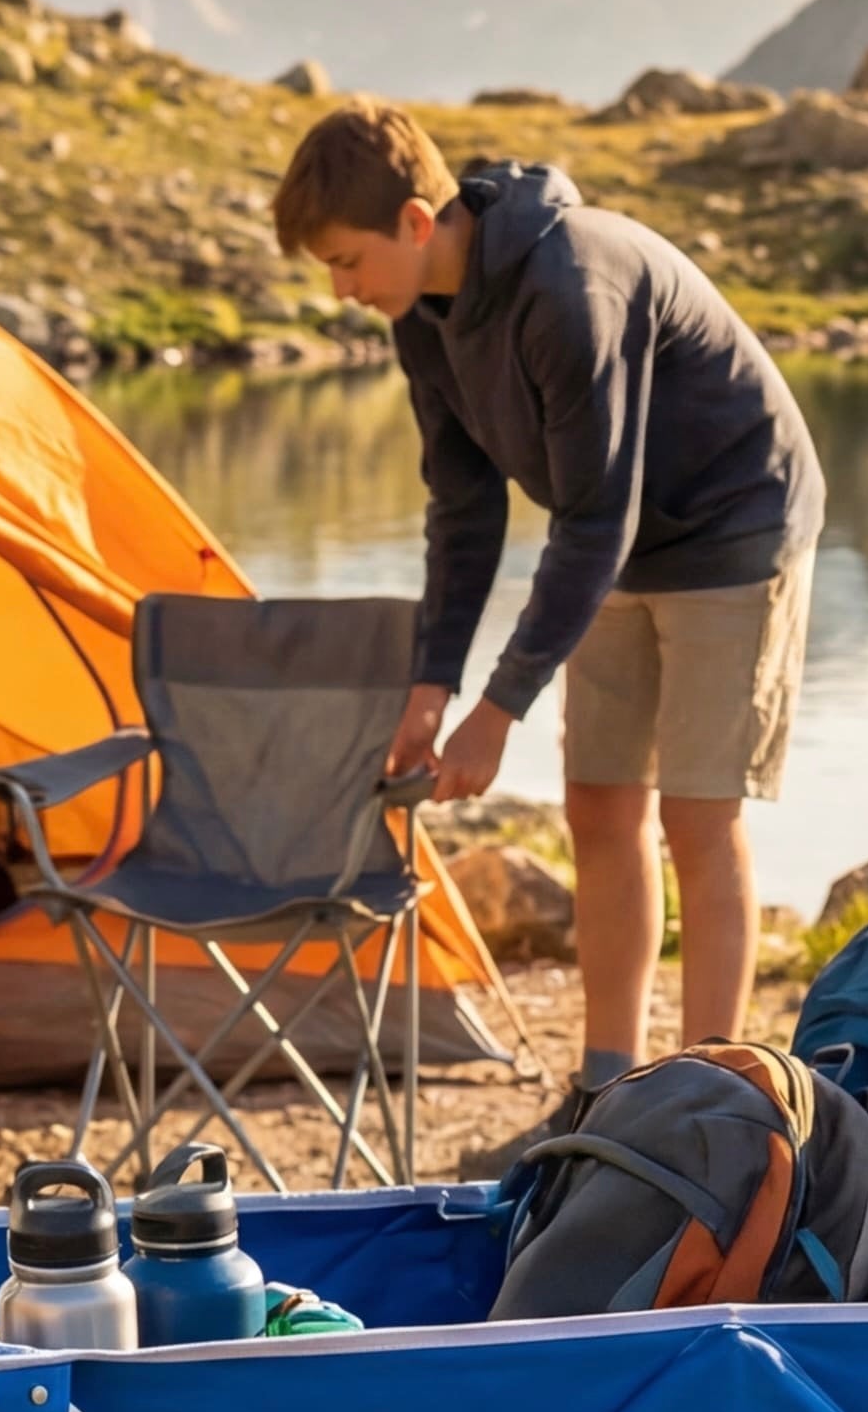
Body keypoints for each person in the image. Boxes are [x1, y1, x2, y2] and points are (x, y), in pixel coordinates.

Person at [276, 99, 825, 1095]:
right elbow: (464, 506)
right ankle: (606, 1086)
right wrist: (432, 685)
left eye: (347, 261)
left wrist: (499, 709)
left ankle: (713, 1097)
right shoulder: (423, 319)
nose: (342, 289)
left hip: (733, 524)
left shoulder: (570, 286)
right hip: (612, 544)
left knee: (696, 818)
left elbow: (592, 520)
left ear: (412, 221)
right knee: (599, 805)